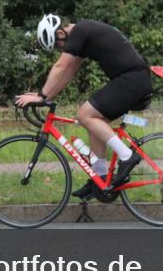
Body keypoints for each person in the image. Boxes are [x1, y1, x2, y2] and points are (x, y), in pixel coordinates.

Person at [14, 14, 152, 199]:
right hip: (132, 80)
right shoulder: (83, 36)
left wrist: (41, 96)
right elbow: (68, 72)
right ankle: (100, 178)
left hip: (132, 80)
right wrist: (46, 97)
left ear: (61, 32)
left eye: (58, 44)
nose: (60, 48)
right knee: (94, 121)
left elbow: (61, 66)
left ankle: (127, 156)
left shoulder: (81, 30)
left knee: (85, 115)